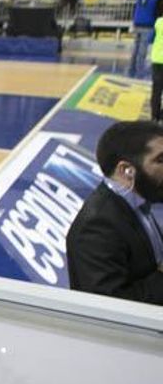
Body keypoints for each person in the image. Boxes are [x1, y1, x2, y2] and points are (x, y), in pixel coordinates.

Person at [66, 121, 163, 305]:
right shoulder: (96, 228)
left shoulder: (139, 199)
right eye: (160, 160)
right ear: (125, 171)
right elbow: (110, 307)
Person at [150, 9, 163, 122]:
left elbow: (151, 38)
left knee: (156, 90)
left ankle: (155, 116)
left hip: (157, 60)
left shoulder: (158, 22)